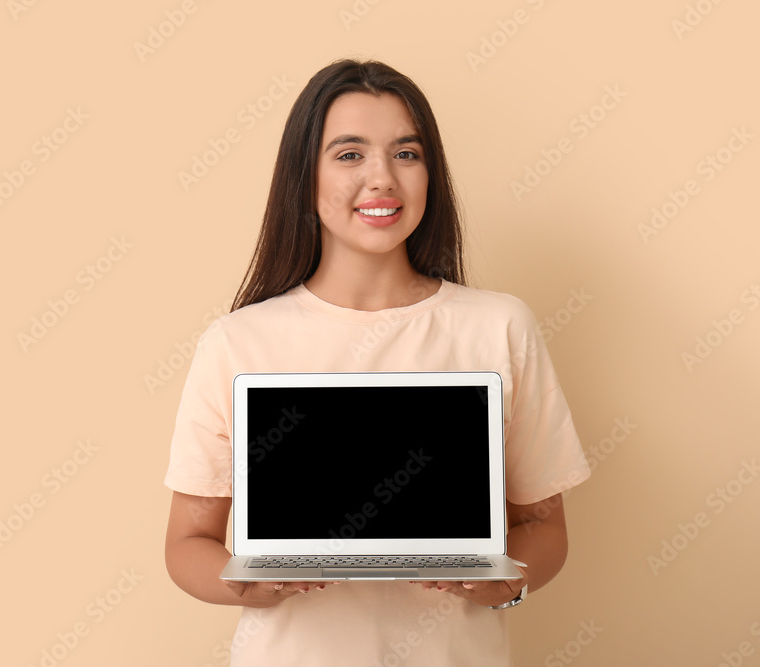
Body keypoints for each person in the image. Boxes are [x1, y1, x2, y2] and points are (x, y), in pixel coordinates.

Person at [164, 58, 591, 666]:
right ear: (304, 177)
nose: (382, 178)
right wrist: (250, 584)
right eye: (349, 154)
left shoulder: (498, 326)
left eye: (406, 154)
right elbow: (188, 543)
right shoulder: (238, 342)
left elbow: (544, 527)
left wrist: (501, 584)